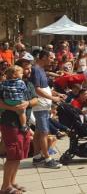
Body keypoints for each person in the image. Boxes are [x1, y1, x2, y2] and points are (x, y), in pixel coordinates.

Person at [0, 57, 38, 194]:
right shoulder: (5, 84)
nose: (29, 70)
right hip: (10, 124)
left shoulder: (27, 84)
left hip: (24, 124)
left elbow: (35, 100)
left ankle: (12, 182)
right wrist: (14, 108)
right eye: (25, 68)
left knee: (19, 155)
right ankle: (5, 187)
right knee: (13, 155)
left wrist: (27, 103)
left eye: (29, 68)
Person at [30, 50, 64, 168]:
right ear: (43, 57)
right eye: (51, 57)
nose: (53, 60)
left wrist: (57, 94)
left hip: (44, 105)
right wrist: (53, 98)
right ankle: (47, 159)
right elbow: (36, 89)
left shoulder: (41, 69)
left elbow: (45, 88)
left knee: (39, 132)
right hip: (40, 106)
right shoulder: (35, 69)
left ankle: (36, 157)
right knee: (44, 132)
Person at [0, 66, 28, 132]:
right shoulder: (21, 82)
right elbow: (24, 90)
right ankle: (24, 125)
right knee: (22, 113)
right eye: (21, 73)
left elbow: (1, 89)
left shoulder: (4, 82)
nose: (22, 74)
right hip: (17, 101)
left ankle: (1, 114)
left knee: (2, 108)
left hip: (7, 101)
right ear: (15, 75)